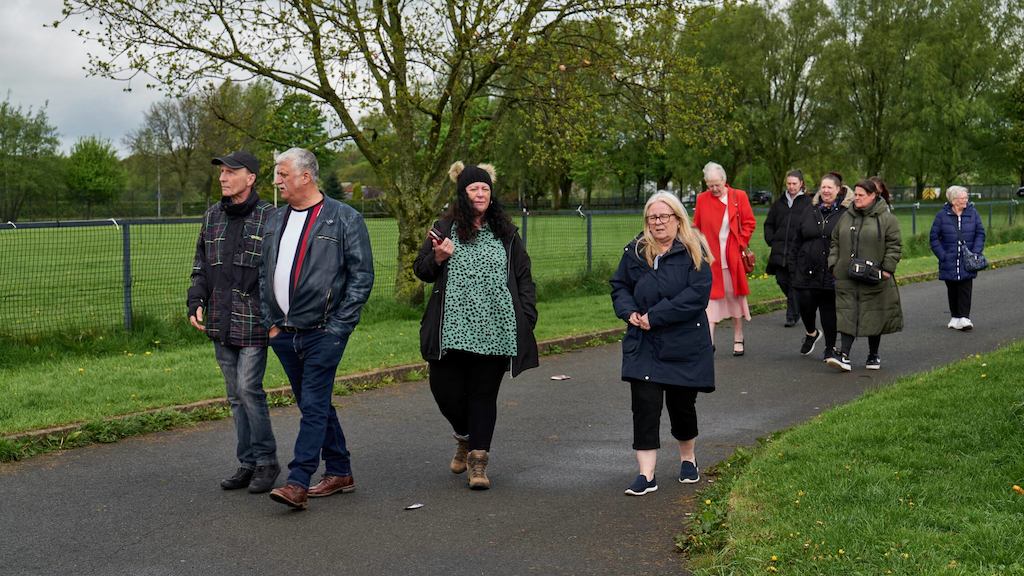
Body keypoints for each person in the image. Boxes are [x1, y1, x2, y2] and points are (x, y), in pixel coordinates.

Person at [260, 148, 375, 509]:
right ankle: (340, 470)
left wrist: (339, 327)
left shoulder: (344, 218)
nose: (276, 181)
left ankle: (298, 480)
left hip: (324, 332)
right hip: (284, 333)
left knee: (312, 404)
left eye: (282, 174)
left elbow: (362, 277)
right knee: (315, 403)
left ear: (305, 177)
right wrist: (270, 324)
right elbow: (263, 274)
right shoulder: (274, 219)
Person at [413, 161, 538, 491]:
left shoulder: (506, 233)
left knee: (483, 395)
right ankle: (465, 437)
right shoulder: (444, 228)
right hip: (450, 329)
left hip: (496, 328)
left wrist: (526, 316)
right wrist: (438, 257)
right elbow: (422, 270)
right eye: (473, 188)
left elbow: (524, 277)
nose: (480, 193)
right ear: (462, 193)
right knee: (445, 392)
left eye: (485, 188)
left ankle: (479, 461)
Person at [187, 150, 280, 494]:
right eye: (221, 172)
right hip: (220, 321)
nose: (223, 178)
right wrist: (196, 300)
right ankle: (248, 462)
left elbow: (278, 273)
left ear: (251, 177)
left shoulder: (271, 218)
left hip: (256, 322)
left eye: (231, 172)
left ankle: (268, 461)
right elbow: (201, 263)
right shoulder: (212, 216)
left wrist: (277, 317)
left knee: (248, 389)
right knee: (234, 396)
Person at [610, 191, 714, 496]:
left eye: (663, 216)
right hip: (644, 342)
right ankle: (646, 474)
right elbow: (619, 286)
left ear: (677, 218)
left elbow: (696, 296)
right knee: (644, 405)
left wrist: (655, 316)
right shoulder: (635, 252)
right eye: (652, 217)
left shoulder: (694, 251)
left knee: (682, 406)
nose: (657, 223)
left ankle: (688, 457)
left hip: (683, 344)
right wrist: (629, 312)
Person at [827, 178, 903, 372]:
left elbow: (894, 245)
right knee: (847, 313)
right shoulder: (846, 217)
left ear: (872, 196)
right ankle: (844, 355)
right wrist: (834, 264)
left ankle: (873, 354)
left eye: (861, 195)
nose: (857, 198)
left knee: (873, 314)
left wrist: (886, 270)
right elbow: (834, 240)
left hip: (873, 277)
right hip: (846, 277)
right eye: (856, 194)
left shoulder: (887, 219)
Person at [691, 161, 756, 356]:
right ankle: (708, 341)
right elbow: (697, 226)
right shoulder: (702, 199)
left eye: (717, 184)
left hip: (732, 258)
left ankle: (738, 335)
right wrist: (697, 244)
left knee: (734, 297)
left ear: (724, 180)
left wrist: (740, 244)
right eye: (710, 185)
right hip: (711, 258)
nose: (714, 189)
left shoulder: (738, 196)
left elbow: (749, 223)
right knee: (711, 299)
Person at [788, 172, 851, 361]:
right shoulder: (810, 209)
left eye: (829, 187)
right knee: (804, 305)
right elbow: (796, 238)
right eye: (823, 187)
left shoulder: (846, 213)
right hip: (806, 268)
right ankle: (811, 332)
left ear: (838, 190)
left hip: (831, 270)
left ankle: (830, 348)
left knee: (828, 311)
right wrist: (793, 265)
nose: (825, 190)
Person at [929, 185, 986, 331]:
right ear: (954, 200)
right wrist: (943, 256)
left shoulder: (973, 213)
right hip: (949, 259)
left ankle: (965, 317)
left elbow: (980, 233)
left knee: (965, 287)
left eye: (966, 198)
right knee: (952, 287)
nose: (966, 200)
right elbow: (934, 238)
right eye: (963, 198)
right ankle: (955, 316)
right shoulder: (942, 215)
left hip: (967, 259)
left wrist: (976, 252)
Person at [764, 169, 810, 327]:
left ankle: (792, 314)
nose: (791, 187)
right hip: (779, 251)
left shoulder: (808, 203)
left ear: (801, 184)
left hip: (798, 252)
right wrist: (771, 239)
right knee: (781, 280)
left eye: (794, 184)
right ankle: (797, 307)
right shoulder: (779, 203)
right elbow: (769, 223)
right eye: (789, 183)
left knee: (793, 282)